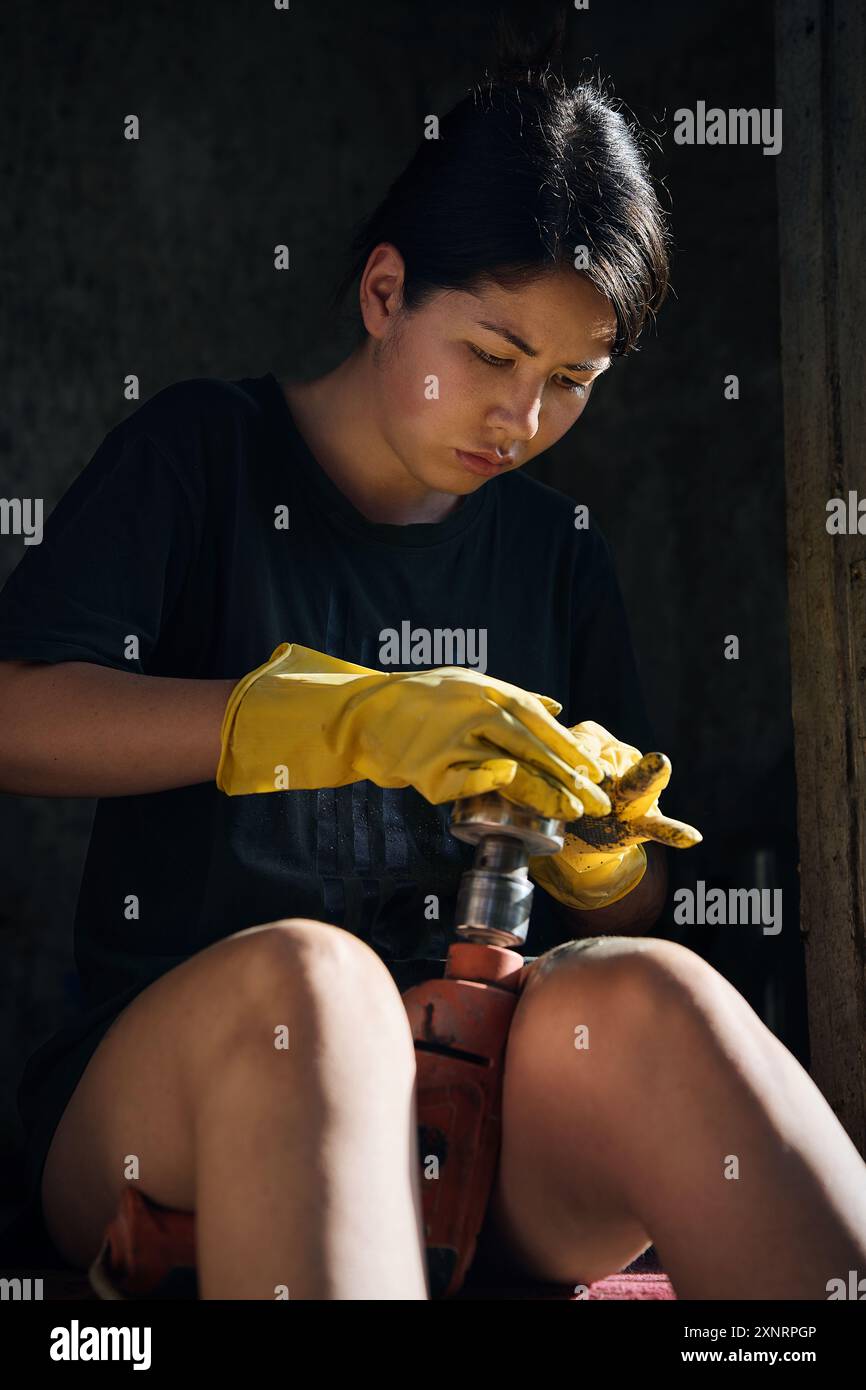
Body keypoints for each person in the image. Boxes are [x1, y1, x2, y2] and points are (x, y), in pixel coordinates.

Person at [2, 31, 866, 1300]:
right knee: (320, 988)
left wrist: (598, 854)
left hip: (466, 1118)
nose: (522, 418)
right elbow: (16, 716)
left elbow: (626, 914)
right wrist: (333, 717)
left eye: (570, 379)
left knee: (656, 995)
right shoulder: (202, 456)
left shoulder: (555, 552)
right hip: (183, 1106)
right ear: (382, 292)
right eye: (492, 356)